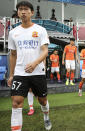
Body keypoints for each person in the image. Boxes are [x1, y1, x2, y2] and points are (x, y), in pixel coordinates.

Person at [7, 1, 52, 130]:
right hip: (21, 73)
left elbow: (45, 51)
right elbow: (13, 55)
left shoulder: (40, 30)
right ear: (18, 13)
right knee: (16, 102)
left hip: (38, 72)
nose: (23, 11)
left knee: (42, 100)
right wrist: (11, 75)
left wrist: (35, 63)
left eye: (26, 9)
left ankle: (46, 116)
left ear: (32, 12)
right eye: (20, 9)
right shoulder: (13, 33)